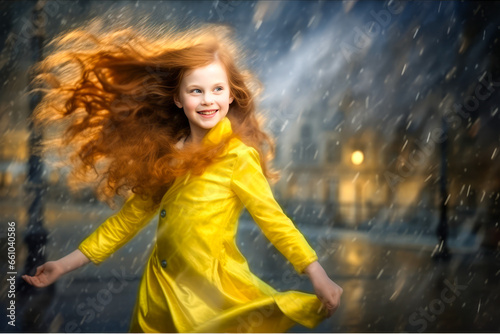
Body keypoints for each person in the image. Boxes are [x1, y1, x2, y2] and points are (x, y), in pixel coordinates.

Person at [22, 21, 343, 333]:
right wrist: (62, 265)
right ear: (178, 99)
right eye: (196, 90)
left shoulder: (238, 156)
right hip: (158, 297)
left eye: (218, 89)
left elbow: (274, 220)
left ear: (231, 95)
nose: (207, 99)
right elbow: (125, 222)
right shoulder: (166, 156)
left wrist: (316, 273)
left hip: (212, 296)